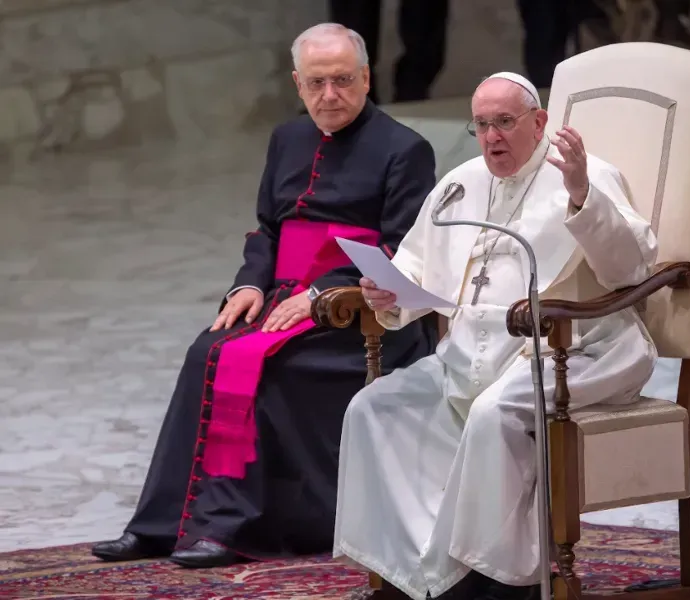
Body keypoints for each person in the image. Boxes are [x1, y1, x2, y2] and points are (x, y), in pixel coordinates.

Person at [90, 23, 439, 569]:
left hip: (361, 314)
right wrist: (249, 283)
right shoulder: (286, 139)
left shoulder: (405, 149)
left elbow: (404, 248)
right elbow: (267, 231)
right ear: (298, 84)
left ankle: (234, 528)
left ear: (367, 78)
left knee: (273, 367)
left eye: (344, 80)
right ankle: (160, 527)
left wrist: (324, 293)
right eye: (317, 83)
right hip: (280, 296)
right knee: (205, 352)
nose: (331, 95)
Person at [333, 72, 659, 600]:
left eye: (505, 122)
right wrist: (390, 293)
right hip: (469, 354)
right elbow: (417, 265)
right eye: (481, 125)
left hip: (576, 348)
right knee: (374, 407)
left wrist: (580, 195)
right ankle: (410, 576)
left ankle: (496, 584)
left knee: (493, 414)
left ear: (539, 122)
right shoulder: (461, 183)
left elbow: (631, 269)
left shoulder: (587, 175)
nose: (492, 137)